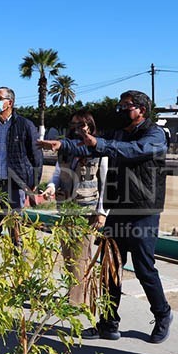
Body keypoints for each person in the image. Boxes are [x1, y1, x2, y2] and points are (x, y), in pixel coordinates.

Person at [37, 90, 173, 344]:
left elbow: (132, 151)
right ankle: (109, 323)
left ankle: (162, 314)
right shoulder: (118, 132)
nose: (120, 110)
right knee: (110, 269)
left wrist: (97, 144)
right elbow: (89, 146)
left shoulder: (154, 134)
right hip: (118, 207)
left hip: (144, 210)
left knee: (144, 268)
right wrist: (61, 144)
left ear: (141, 110)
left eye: (126, 106)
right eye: (119, 105)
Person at [42, 110, 108, 307]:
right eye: (73, 125)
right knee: (68, 254)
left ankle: (76, 301)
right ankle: (76, 294)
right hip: (66, 208)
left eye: (81, 125)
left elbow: (106, 183)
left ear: (90, 126)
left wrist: (102, 212)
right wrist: (51, 186)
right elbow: (57, 172)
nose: (77, 129)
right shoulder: (65, 148)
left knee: (80, 256)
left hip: (86, 210)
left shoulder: (99, 149)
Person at [0, 86, 43, 243]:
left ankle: (17, 264)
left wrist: (34, 183)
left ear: (10, 103)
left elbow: (36, 156)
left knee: (15, 231)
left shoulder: (25, 125)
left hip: (15, 185)